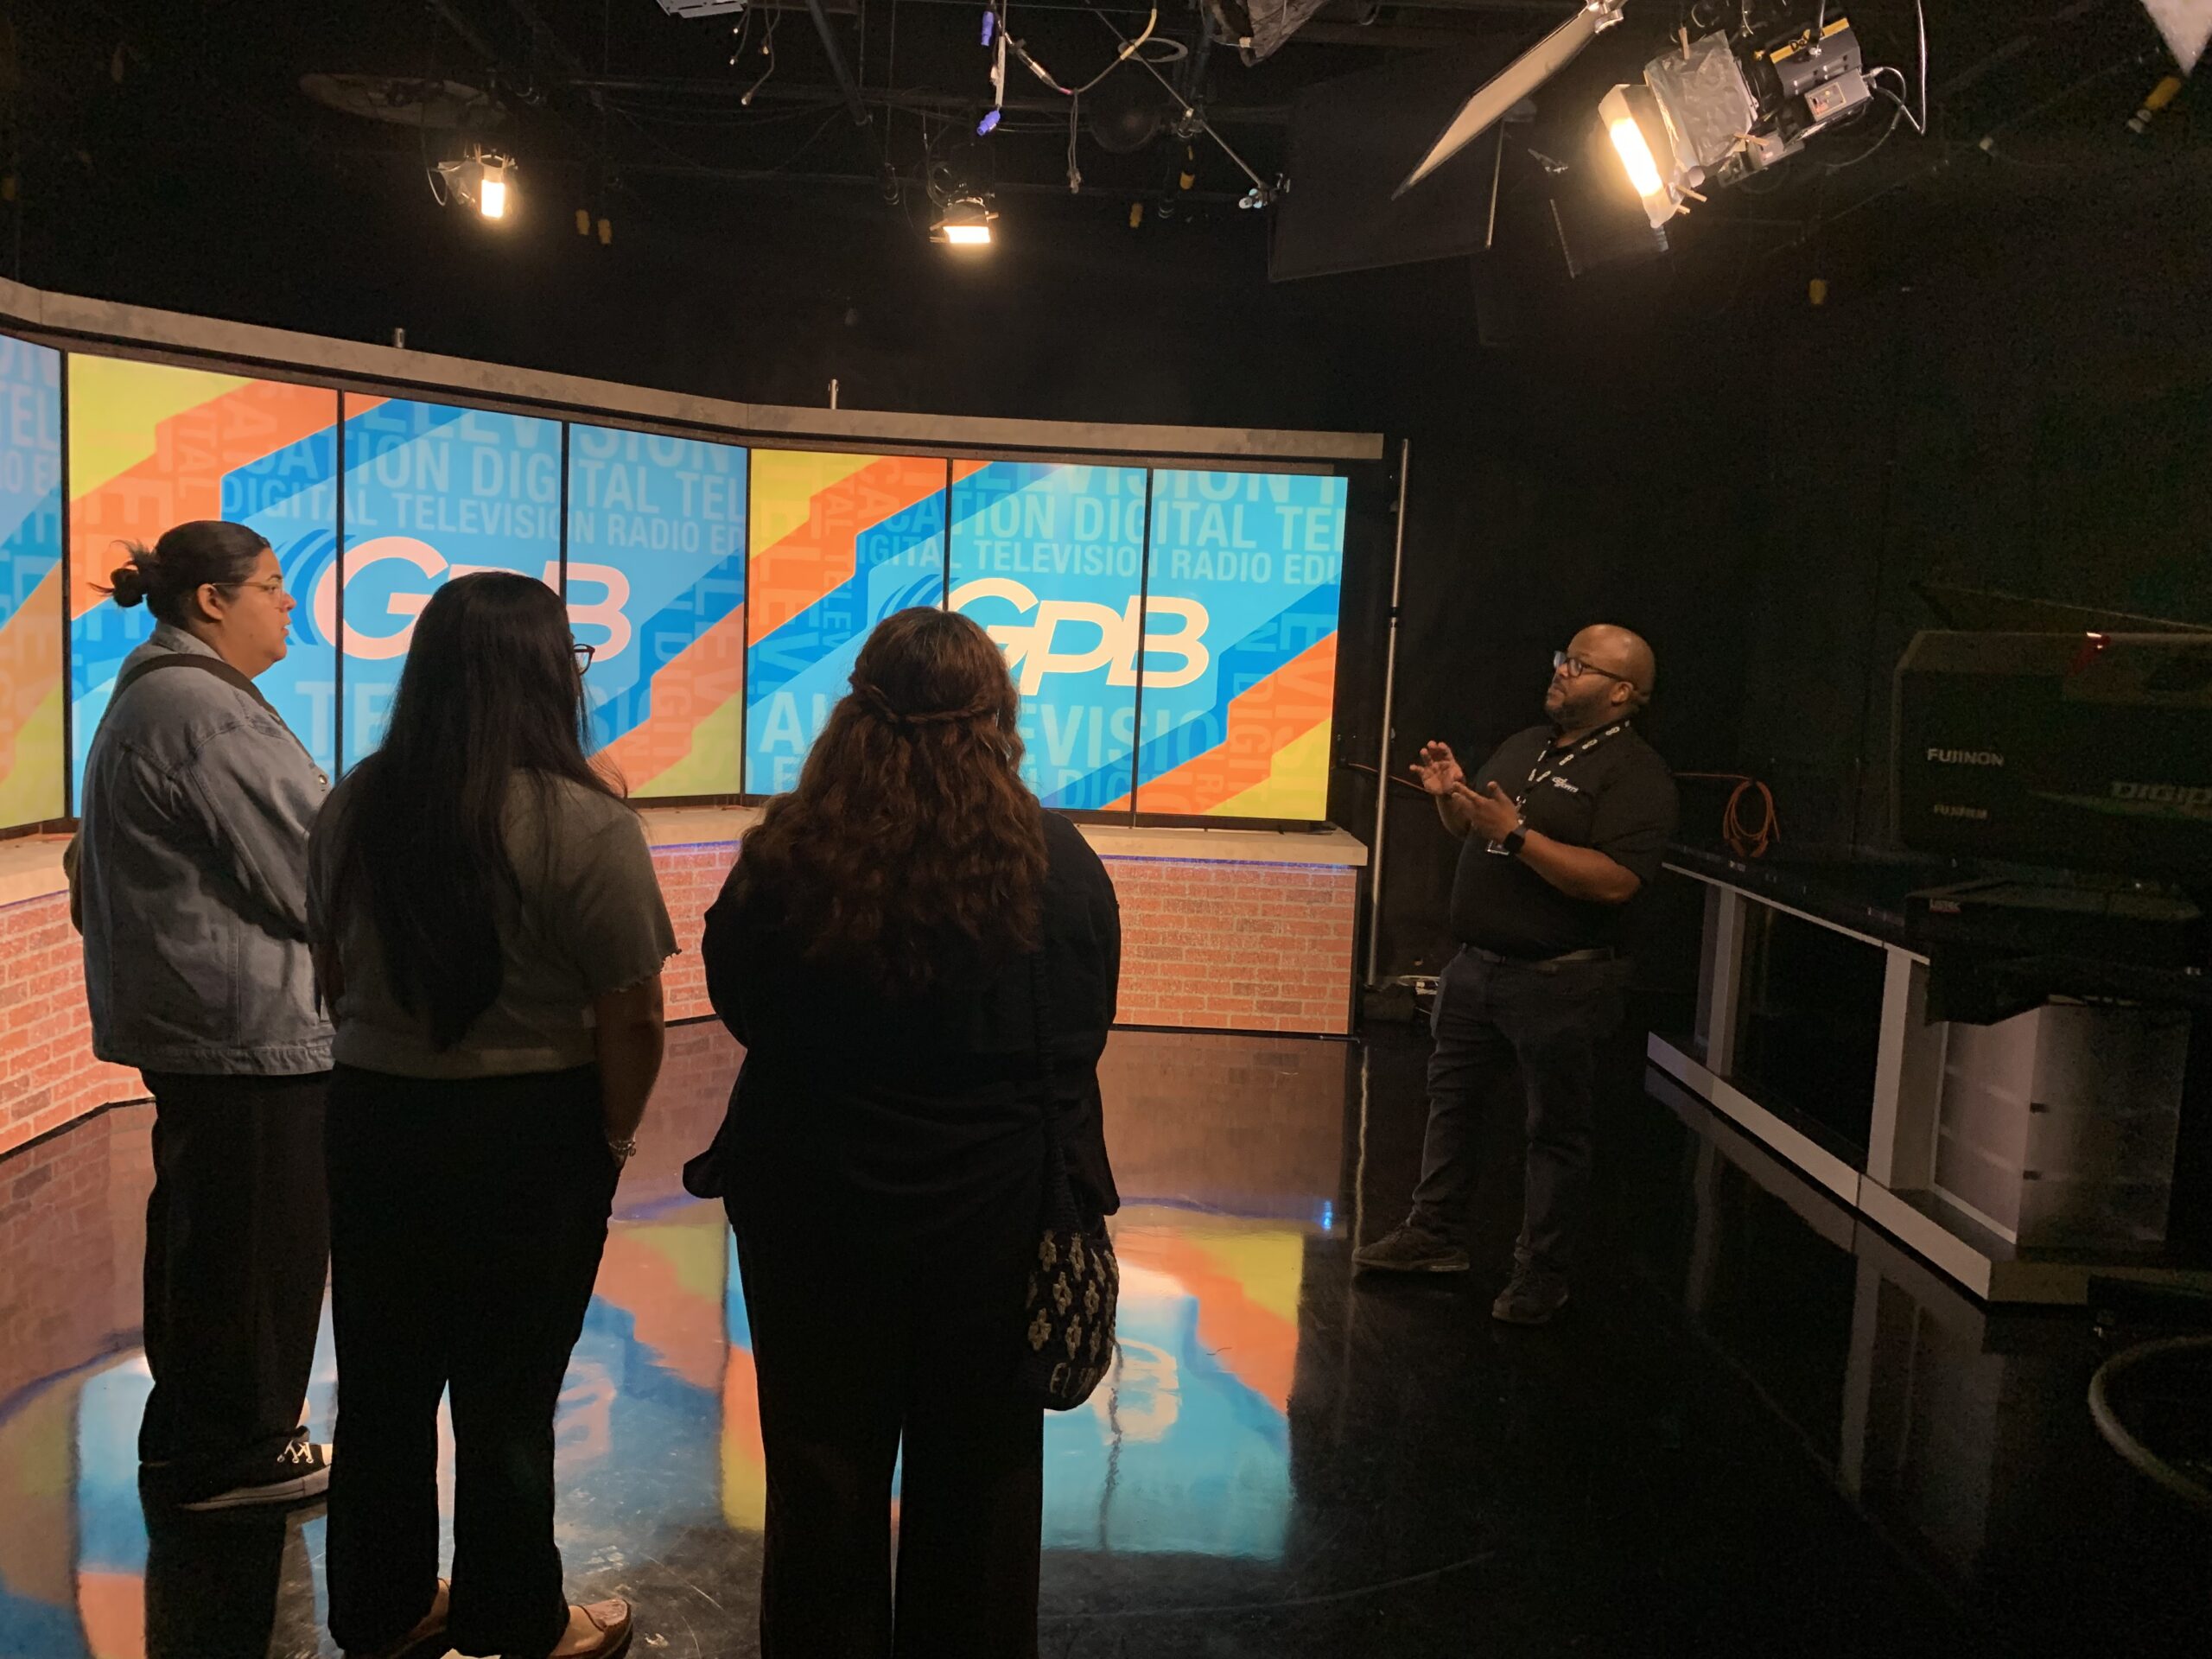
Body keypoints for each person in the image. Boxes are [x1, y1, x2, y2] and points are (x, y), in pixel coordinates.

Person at [685, 607, 1121, 1659]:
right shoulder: (1060, 864)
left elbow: (742, 1005)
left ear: (857, 709)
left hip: (812, 1204)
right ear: (999, 713)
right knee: (982, 1478)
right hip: (999, 1213)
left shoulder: (790, 854)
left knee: (820, 1464)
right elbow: (1078, 1034)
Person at [308, 572, 672, 1659]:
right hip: (528, 1135)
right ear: (546, 674)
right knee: (509, 1394)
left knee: (380, 1386)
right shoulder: (584, 819)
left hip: (371, 1119)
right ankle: (517, 1618)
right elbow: (637, 1014)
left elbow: (328, 963)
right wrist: (612, 1138)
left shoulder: (354, 802)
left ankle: (381, 1612)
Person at [72, 520, 335, 1512]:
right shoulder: (204, 711)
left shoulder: (166, 693)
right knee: (255, 1246)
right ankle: (238, 1451)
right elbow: (313, 873)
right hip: (249, 1034)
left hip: (219, 1027)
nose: (290, 603)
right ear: (212, 601)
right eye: (273, 586)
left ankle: (193, 1438)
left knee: (210, 1237)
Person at [1354, 624, 1679, 1325]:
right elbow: (1471, 828)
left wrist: (1516, 834)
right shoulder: (1526, 744)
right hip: (1476, 972)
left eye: (1580, 665)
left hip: (1562, 984)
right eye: (1561, 656)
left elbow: (1617, 882)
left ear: (1622, 691)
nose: (1561, 670)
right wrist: (1452, 798)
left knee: (1554, 1133)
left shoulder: (1635, 774)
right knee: (1452, 1109)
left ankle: (1542, 1273)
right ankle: (1434, 1235)